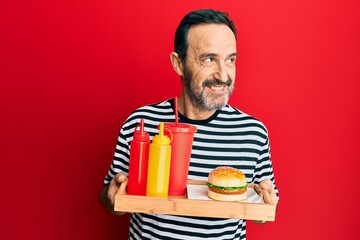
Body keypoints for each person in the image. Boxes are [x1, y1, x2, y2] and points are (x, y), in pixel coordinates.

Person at [100, 8, 279, 240]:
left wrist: (266, 204)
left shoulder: (253, 133)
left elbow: (262, 210)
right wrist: (113, 196)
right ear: (178, 64)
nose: (223, 75)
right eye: (208, 59)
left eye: (230, 60)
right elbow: (108, 197)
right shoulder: (141, 123)